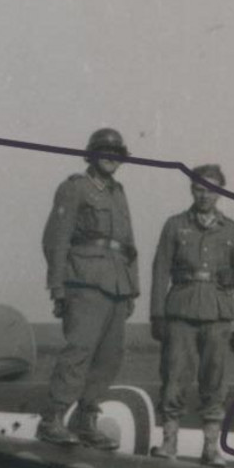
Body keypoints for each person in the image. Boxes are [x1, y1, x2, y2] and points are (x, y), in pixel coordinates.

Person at [148, 164, 234, 467]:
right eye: (199, 189)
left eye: (211, 189)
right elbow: (160, 270)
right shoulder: (174, 225)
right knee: (174, 377)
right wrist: (157, 315)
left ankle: (211, 448)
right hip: (181, 312)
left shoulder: (231, 229)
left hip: (217, 313)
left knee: (214, 381)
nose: (204, 195)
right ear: (192, 190)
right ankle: (168, 443)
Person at [37, 128, 139, 448]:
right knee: (79, 350)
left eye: (115, 154)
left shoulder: (118, 192)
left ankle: (86, 419)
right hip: (84, 282)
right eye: (104, 152)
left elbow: (128, 246)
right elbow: (55, 239)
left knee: (110, 357)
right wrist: (58, 287)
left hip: (117, 286)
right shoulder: (75, 188)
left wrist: (132, 288)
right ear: (92, 155)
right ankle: (52, 418)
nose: (110, 158)